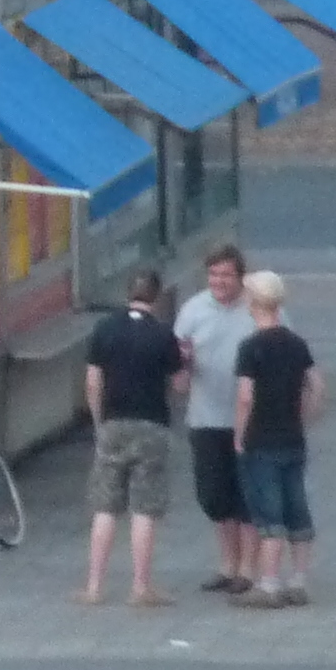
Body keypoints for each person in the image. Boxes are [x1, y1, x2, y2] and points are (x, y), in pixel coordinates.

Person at [80, 267, 186, 604]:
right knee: (144, 509)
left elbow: (93, 382)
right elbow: (180, 385)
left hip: (113, 424)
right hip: (152, 425)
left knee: (105, 507)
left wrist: (99, 422)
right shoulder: (163, 335)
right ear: (157, 296)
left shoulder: (105, 328)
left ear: (128, 293)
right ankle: (140, 587)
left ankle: (94, 587)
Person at [227, 269, 321, 607]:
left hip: (261, 439)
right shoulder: (296, 343)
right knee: (297, 508)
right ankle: (299, 580)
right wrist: (303, 417)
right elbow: (316, 385)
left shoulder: (250, 347)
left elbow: (245, 397)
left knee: (269, 514)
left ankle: (268, 584)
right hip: (292, 438)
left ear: (253, 302)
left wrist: (240, 435)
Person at [171, 243, 258, 594]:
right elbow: (178, 375)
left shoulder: (257, 308)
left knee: (247, 496)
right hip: (205, 417)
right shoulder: (193, 310)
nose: (219, 281)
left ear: (240, 277)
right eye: (213, 274)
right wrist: (183, 366)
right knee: (214, 496)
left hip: (250, 418)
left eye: (226, 275)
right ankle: (227, 564)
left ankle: (247, 569)